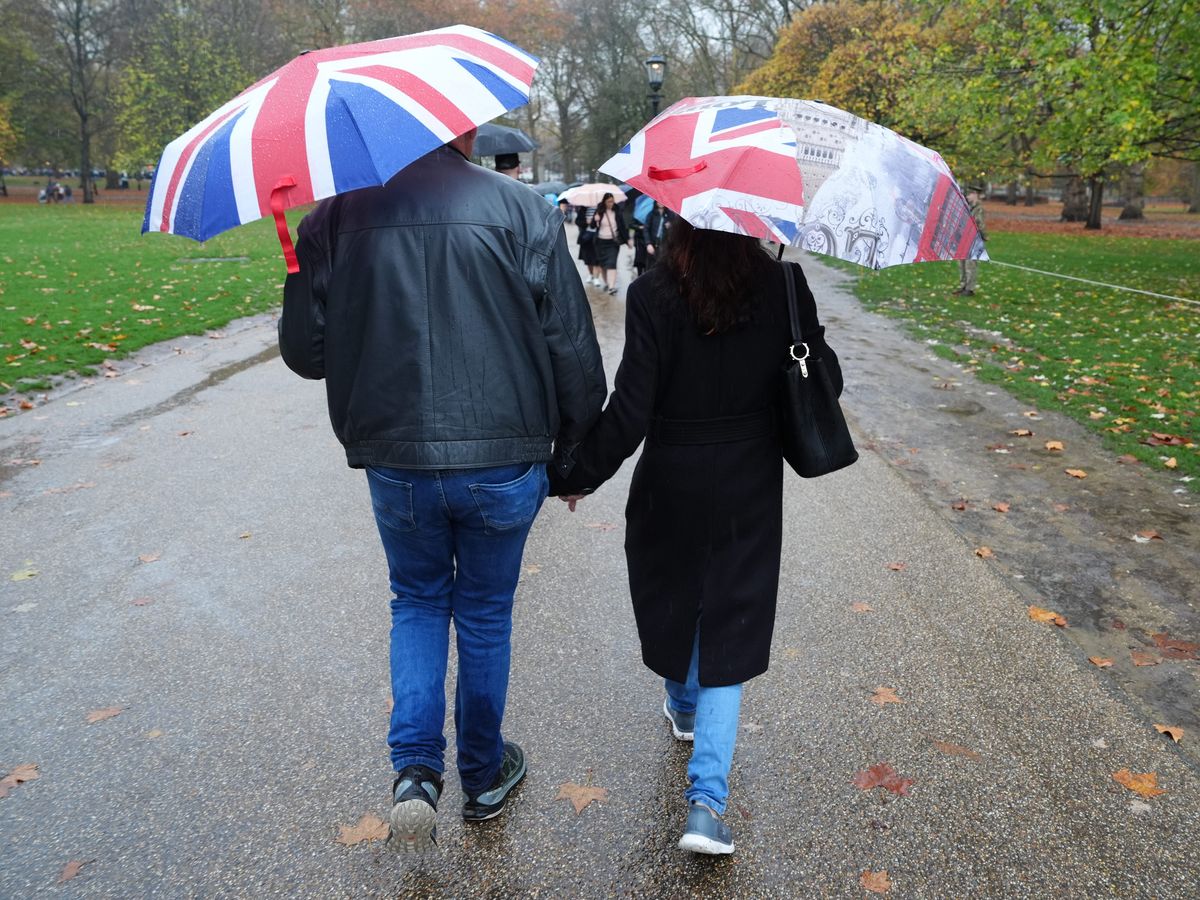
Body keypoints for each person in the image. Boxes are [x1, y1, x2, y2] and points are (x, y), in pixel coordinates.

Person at [278, 128, 607, 854]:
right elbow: (572, 347)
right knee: (485, 614)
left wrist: (303, 268)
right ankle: (483, 775)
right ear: (461, 129)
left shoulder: (334, 218)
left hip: (397, 459)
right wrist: (576, 456)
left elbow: (307, 356)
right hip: (503, 455)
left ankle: (416, 776)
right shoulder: (521, 210)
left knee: (419, 602)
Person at [549, 221, 844, 856]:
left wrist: (578, 473)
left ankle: (682, 705)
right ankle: (706, 806)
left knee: (673, 593)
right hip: (749, 482)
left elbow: (631, 408)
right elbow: (826, 385)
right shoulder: (783, 284)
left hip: (671, 477)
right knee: (731, 620)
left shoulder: (654, 292)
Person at [591, 192, 631, 295]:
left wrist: (628, 240)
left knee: (612, 263)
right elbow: (592, 226)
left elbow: (622, 227)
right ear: (604, 202)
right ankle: (608, 284)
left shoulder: (617, 211)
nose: (611, 203)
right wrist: (595, 220)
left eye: (612, 201)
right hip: (600, 242)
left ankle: (611, 287)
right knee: (603, 265)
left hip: (613, 242)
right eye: (609, 201)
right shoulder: (599, 211)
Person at [954, 187, 987, 296]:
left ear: (975, 194)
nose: (967, 197)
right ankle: (963, 285)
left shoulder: (979, 209)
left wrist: (982, 237)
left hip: (974, 240)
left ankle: (970, 288)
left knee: (970, 264)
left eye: (969, 194)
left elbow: (980, 224)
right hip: (964, 239)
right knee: (961, 263)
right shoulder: (967, 206)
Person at [575, 202, 602, 287]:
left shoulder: (601, 207)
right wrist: (586, 222)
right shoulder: (583, 208)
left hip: (598, 236)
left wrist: (597, 220)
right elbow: (578, 221)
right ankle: (591, 274)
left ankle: (596, 277)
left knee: (597, 258)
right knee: (587, 258)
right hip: (586, 237)